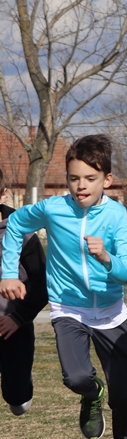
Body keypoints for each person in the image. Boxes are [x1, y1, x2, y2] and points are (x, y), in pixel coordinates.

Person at [0, 134, 127, 439]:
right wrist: (7, 272)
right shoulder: (53, 208)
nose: (81, 186)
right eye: (74, 178)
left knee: (126, 395)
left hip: (111, 312)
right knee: (76, 377)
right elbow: (16, 224)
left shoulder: (116, 215)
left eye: (90, 179)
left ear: (106, 180)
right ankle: (92, 393)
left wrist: (107, 258)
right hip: (68, 309)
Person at [0, 169, 48, 416]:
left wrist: (18, 318)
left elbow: (41, 284)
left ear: (3, 195)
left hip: (12, 326)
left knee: (18, 402)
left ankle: (20, 388)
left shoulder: (21, 232)